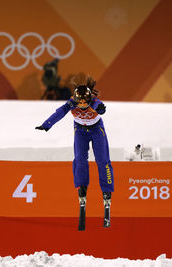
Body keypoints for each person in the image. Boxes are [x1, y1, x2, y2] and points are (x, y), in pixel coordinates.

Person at [35, 76, 114, 228]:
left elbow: (100, 106)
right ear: (76, 100)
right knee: (79, 159)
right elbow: (59, 113)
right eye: (81, 103)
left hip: (97, 129)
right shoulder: (72, 102)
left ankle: (107, 190)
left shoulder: (94, 101)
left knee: (103, 160)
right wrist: (47, 125)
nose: (83, 106)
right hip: (80, 131)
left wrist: (100, 109)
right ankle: (82, 186)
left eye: (86, 103)